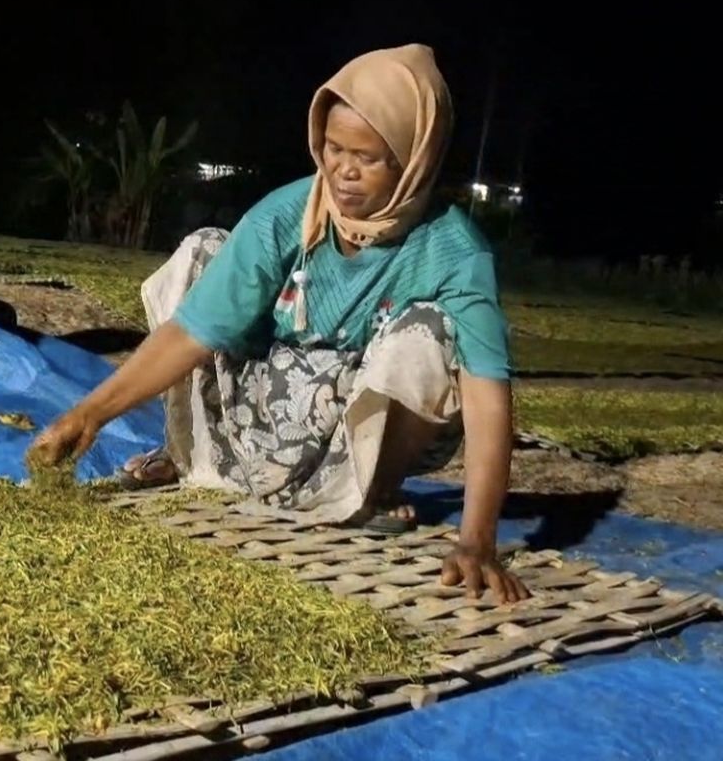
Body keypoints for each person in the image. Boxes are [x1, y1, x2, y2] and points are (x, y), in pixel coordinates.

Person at [31, 44, 529, 604]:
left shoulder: (454, 253)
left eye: (368, 157)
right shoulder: (288, 213)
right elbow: (196, 328)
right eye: (334, 149)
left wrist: (477, 539)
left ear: (416, 158)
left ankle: (370, 492)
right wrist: (89, 413)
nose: (343, 170)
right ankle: (192, 451)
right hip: (264, 416)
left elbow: (487, 397)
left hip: (353, 430)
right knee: (203, 252)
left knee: (431, 332)